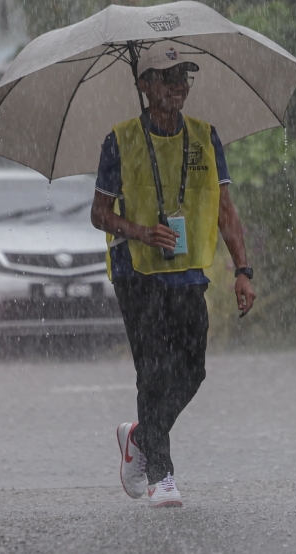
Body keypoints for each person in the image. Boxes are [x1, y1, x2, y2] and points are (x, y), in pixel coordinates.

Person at [90, 42, 256, 508]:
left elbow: (225, 209)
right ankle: (162, 475)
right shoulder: (119, 141)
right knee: (154, 371)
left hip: (186, 272)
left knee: (193, 369)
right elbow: (99, 214)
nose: (178, 86)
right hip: (136, 271)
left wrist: (242, 270)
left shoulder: (205, 136)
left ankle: (141, 436)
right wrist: (140, 231)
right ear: (144, 86)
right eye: (166, 78)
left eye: (183, 76)